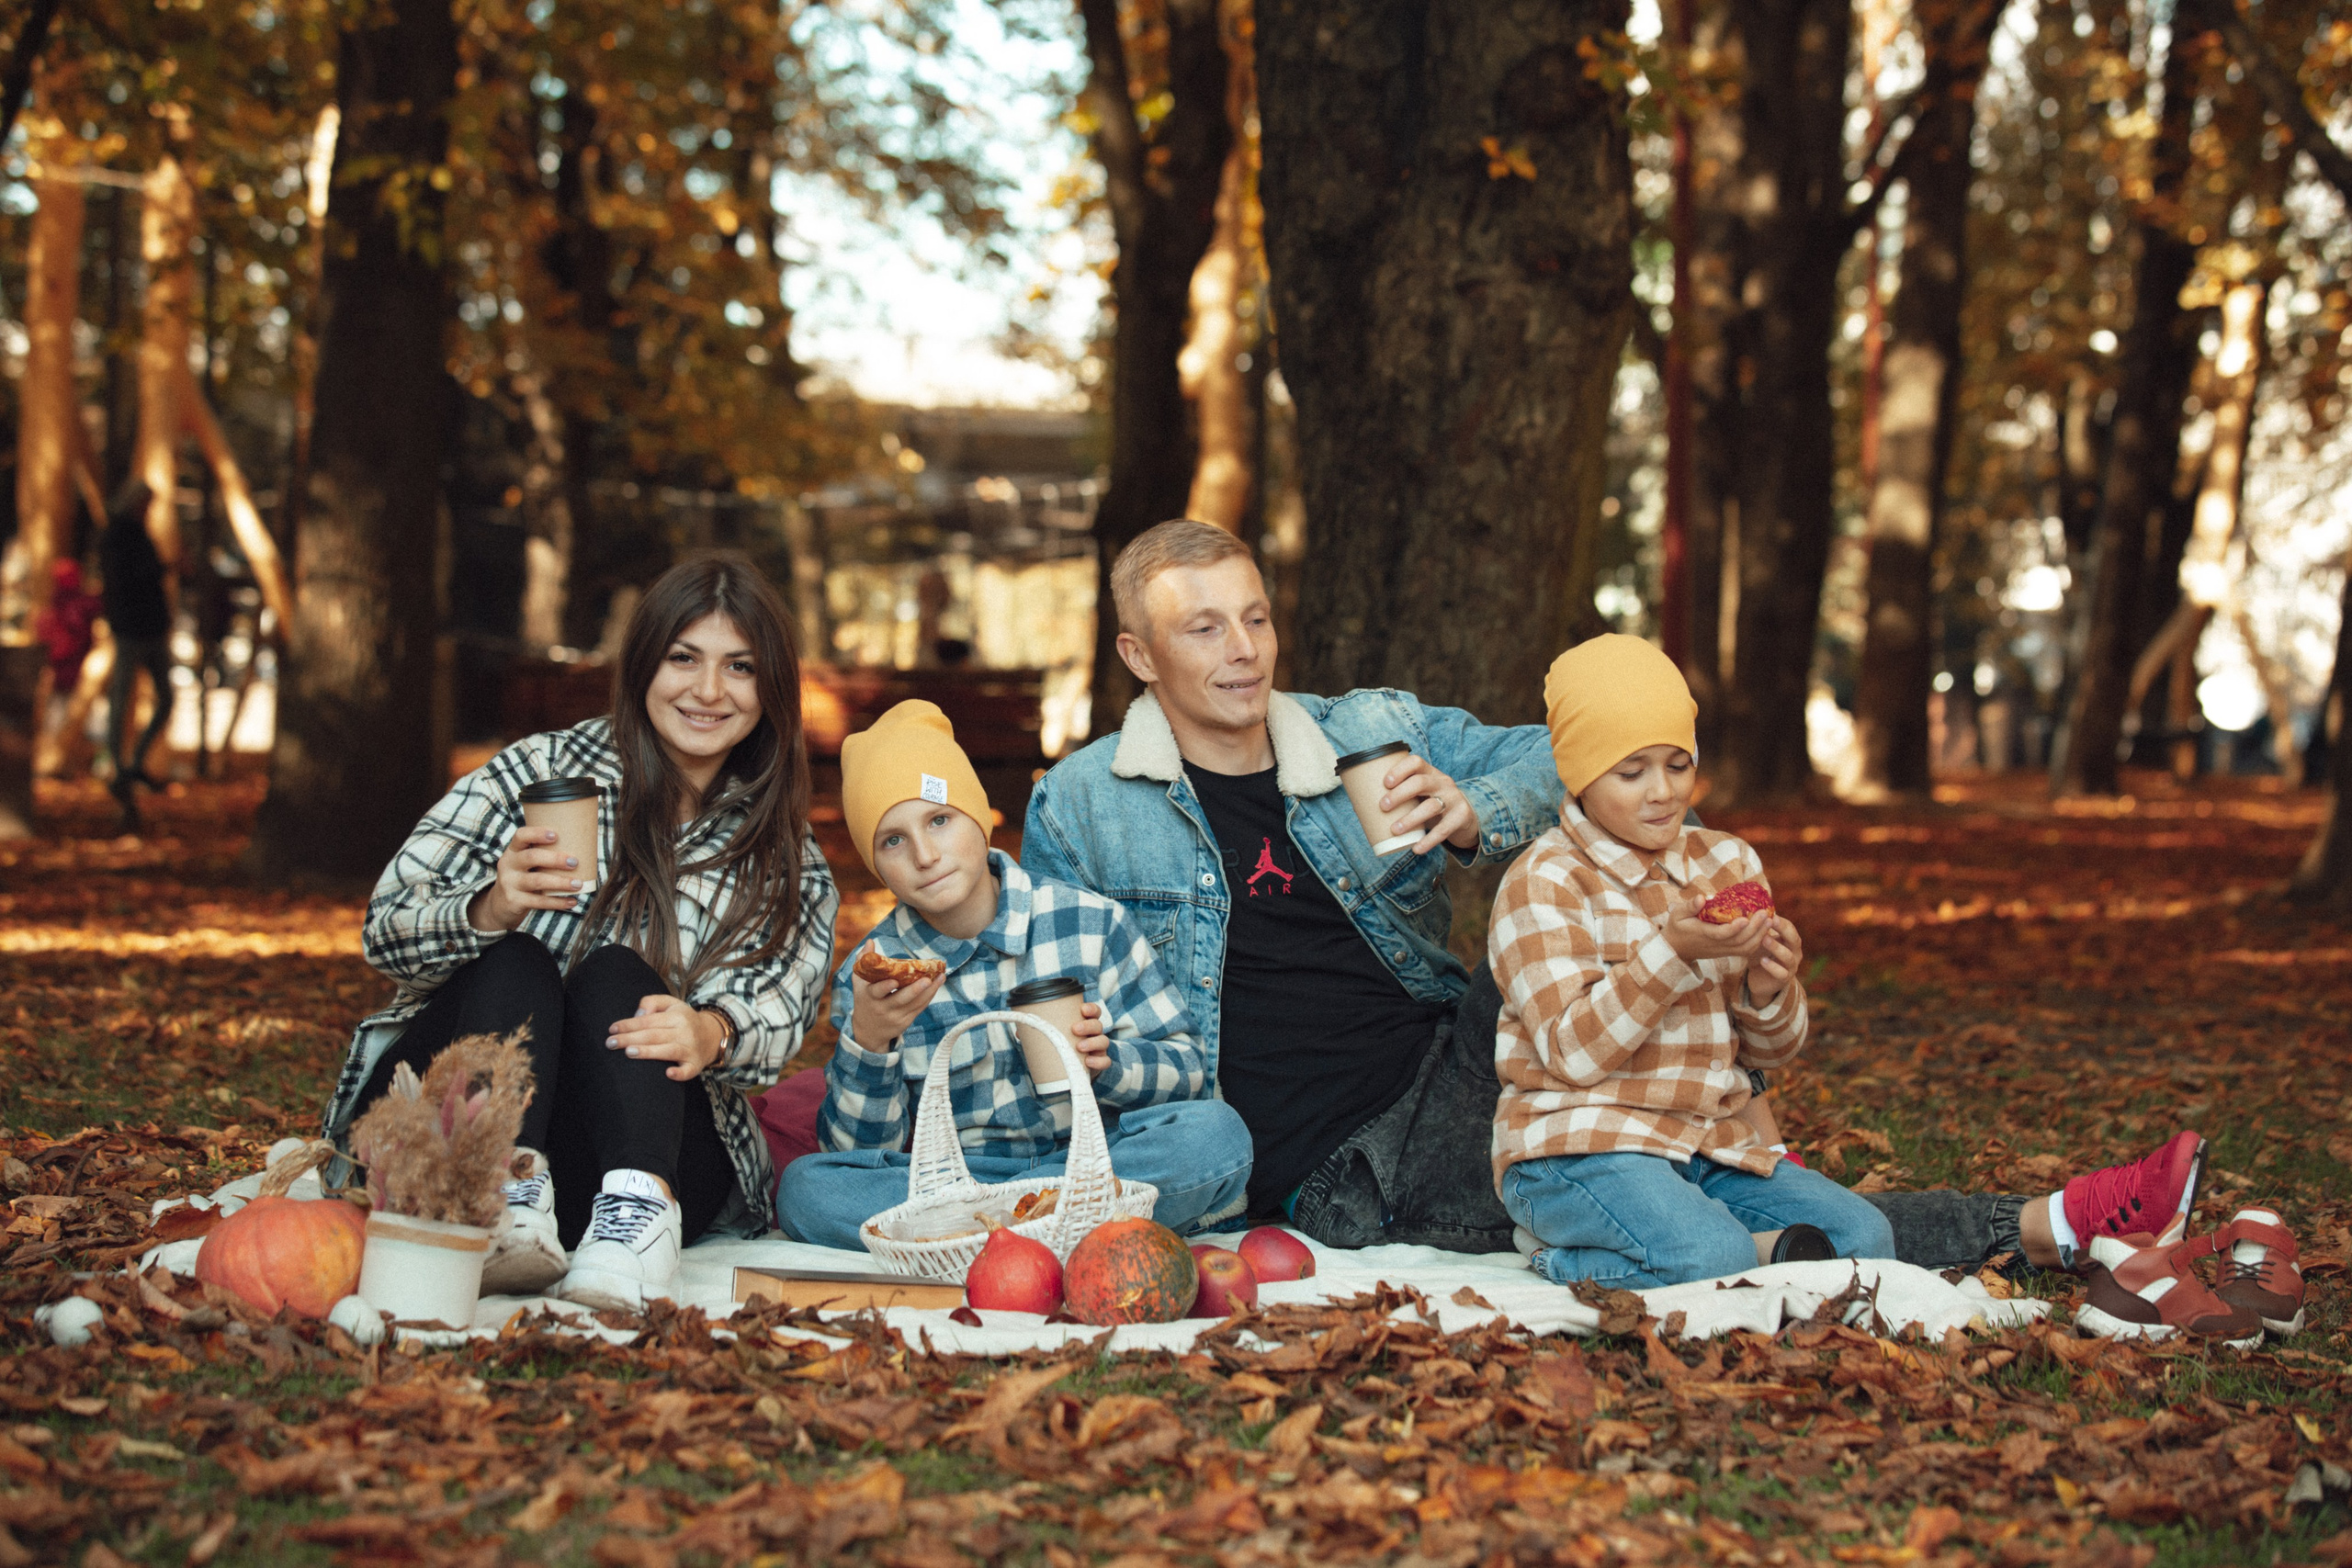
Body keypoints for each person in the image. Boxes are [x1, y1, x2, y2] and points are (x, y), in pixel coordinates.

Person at [1018, 519, 2212, 1275]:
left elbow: (1574, 753)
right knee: (1650, 1158)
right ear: (1138, 654)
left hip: (1460, 1054)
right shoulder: (1080, 806)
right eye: (1202, 628)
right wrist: (1056, 1033)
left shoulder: (1364, 731)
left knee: (1623, 1045)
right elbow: (1041, 997)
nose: (1242, 649)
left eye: (1254, 615)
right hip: (1348, 1163)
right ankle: (2042, 1222)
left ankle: (2025, 1218)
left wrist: (1477, 807)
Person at [322, 554, 839, 1310]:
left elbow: (781, 1011)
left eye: (740, 666)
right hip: (454, 1141)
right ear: (644, 663)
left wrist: (712, 1030)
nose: (708, 690)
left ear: (771, 689)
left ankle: (635, 1222)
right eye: (684, 658)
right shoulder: (540, 770)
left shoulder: (784, 854)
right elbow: (385, 930)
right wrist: (491, 905)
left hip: (628, 1152)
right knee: (517, 961)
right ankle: (505, 1193)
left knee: (620, 980)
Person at [1490, 635, 1896, 1286]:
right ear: (1578, 773)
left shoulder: (1727, 861)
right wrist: (1672, 953)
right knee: (1709, 1259)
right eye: (1631, 772)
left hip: (1708, 1146)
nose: (1662, 791)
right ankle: (1555, 1255)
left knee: (1865, 1239)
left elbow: (1767, 1052)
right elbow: (1573, 1054)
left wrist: (1768, 988)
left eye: (1678, 764)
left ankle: (1719, 1244)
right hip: (1578, 1150)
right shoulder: (1543, 880)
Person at [777, 701, 1251, 1249]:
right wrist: (870, 1042)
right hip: (961, 1185)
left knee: (1216, 1135)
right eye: (893, 840)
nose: (925, 855)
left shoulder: (1090, 923)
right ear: (875, 863)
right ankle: (1059, 1233)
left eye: (939, 820)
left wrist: (1108, 1063)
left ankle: (988, 1242)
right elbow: (856, 1156)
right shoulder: (873, 975)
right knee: (807, 1190)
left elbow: (1189, 1070)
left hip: (1094, 1166)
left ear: (980, 818)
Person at [97, 479, 176, 825]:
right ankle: (120, 768)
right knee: (120, 701)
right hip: (131, 630)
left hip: (152, 628)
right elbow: (125, 581)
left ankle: (133, 765)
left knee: (165, 699)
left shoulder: (140, 534)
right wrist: (161, 569)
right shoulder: (117, 536)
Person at [31, 558, 100, 774]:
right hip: (69, 670)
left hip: (65, 670)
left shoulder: (60, 604)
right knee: (61, 718)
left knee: (62, 717)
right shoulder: (76, 605)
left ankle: (61, 764)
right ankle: (56, 764)